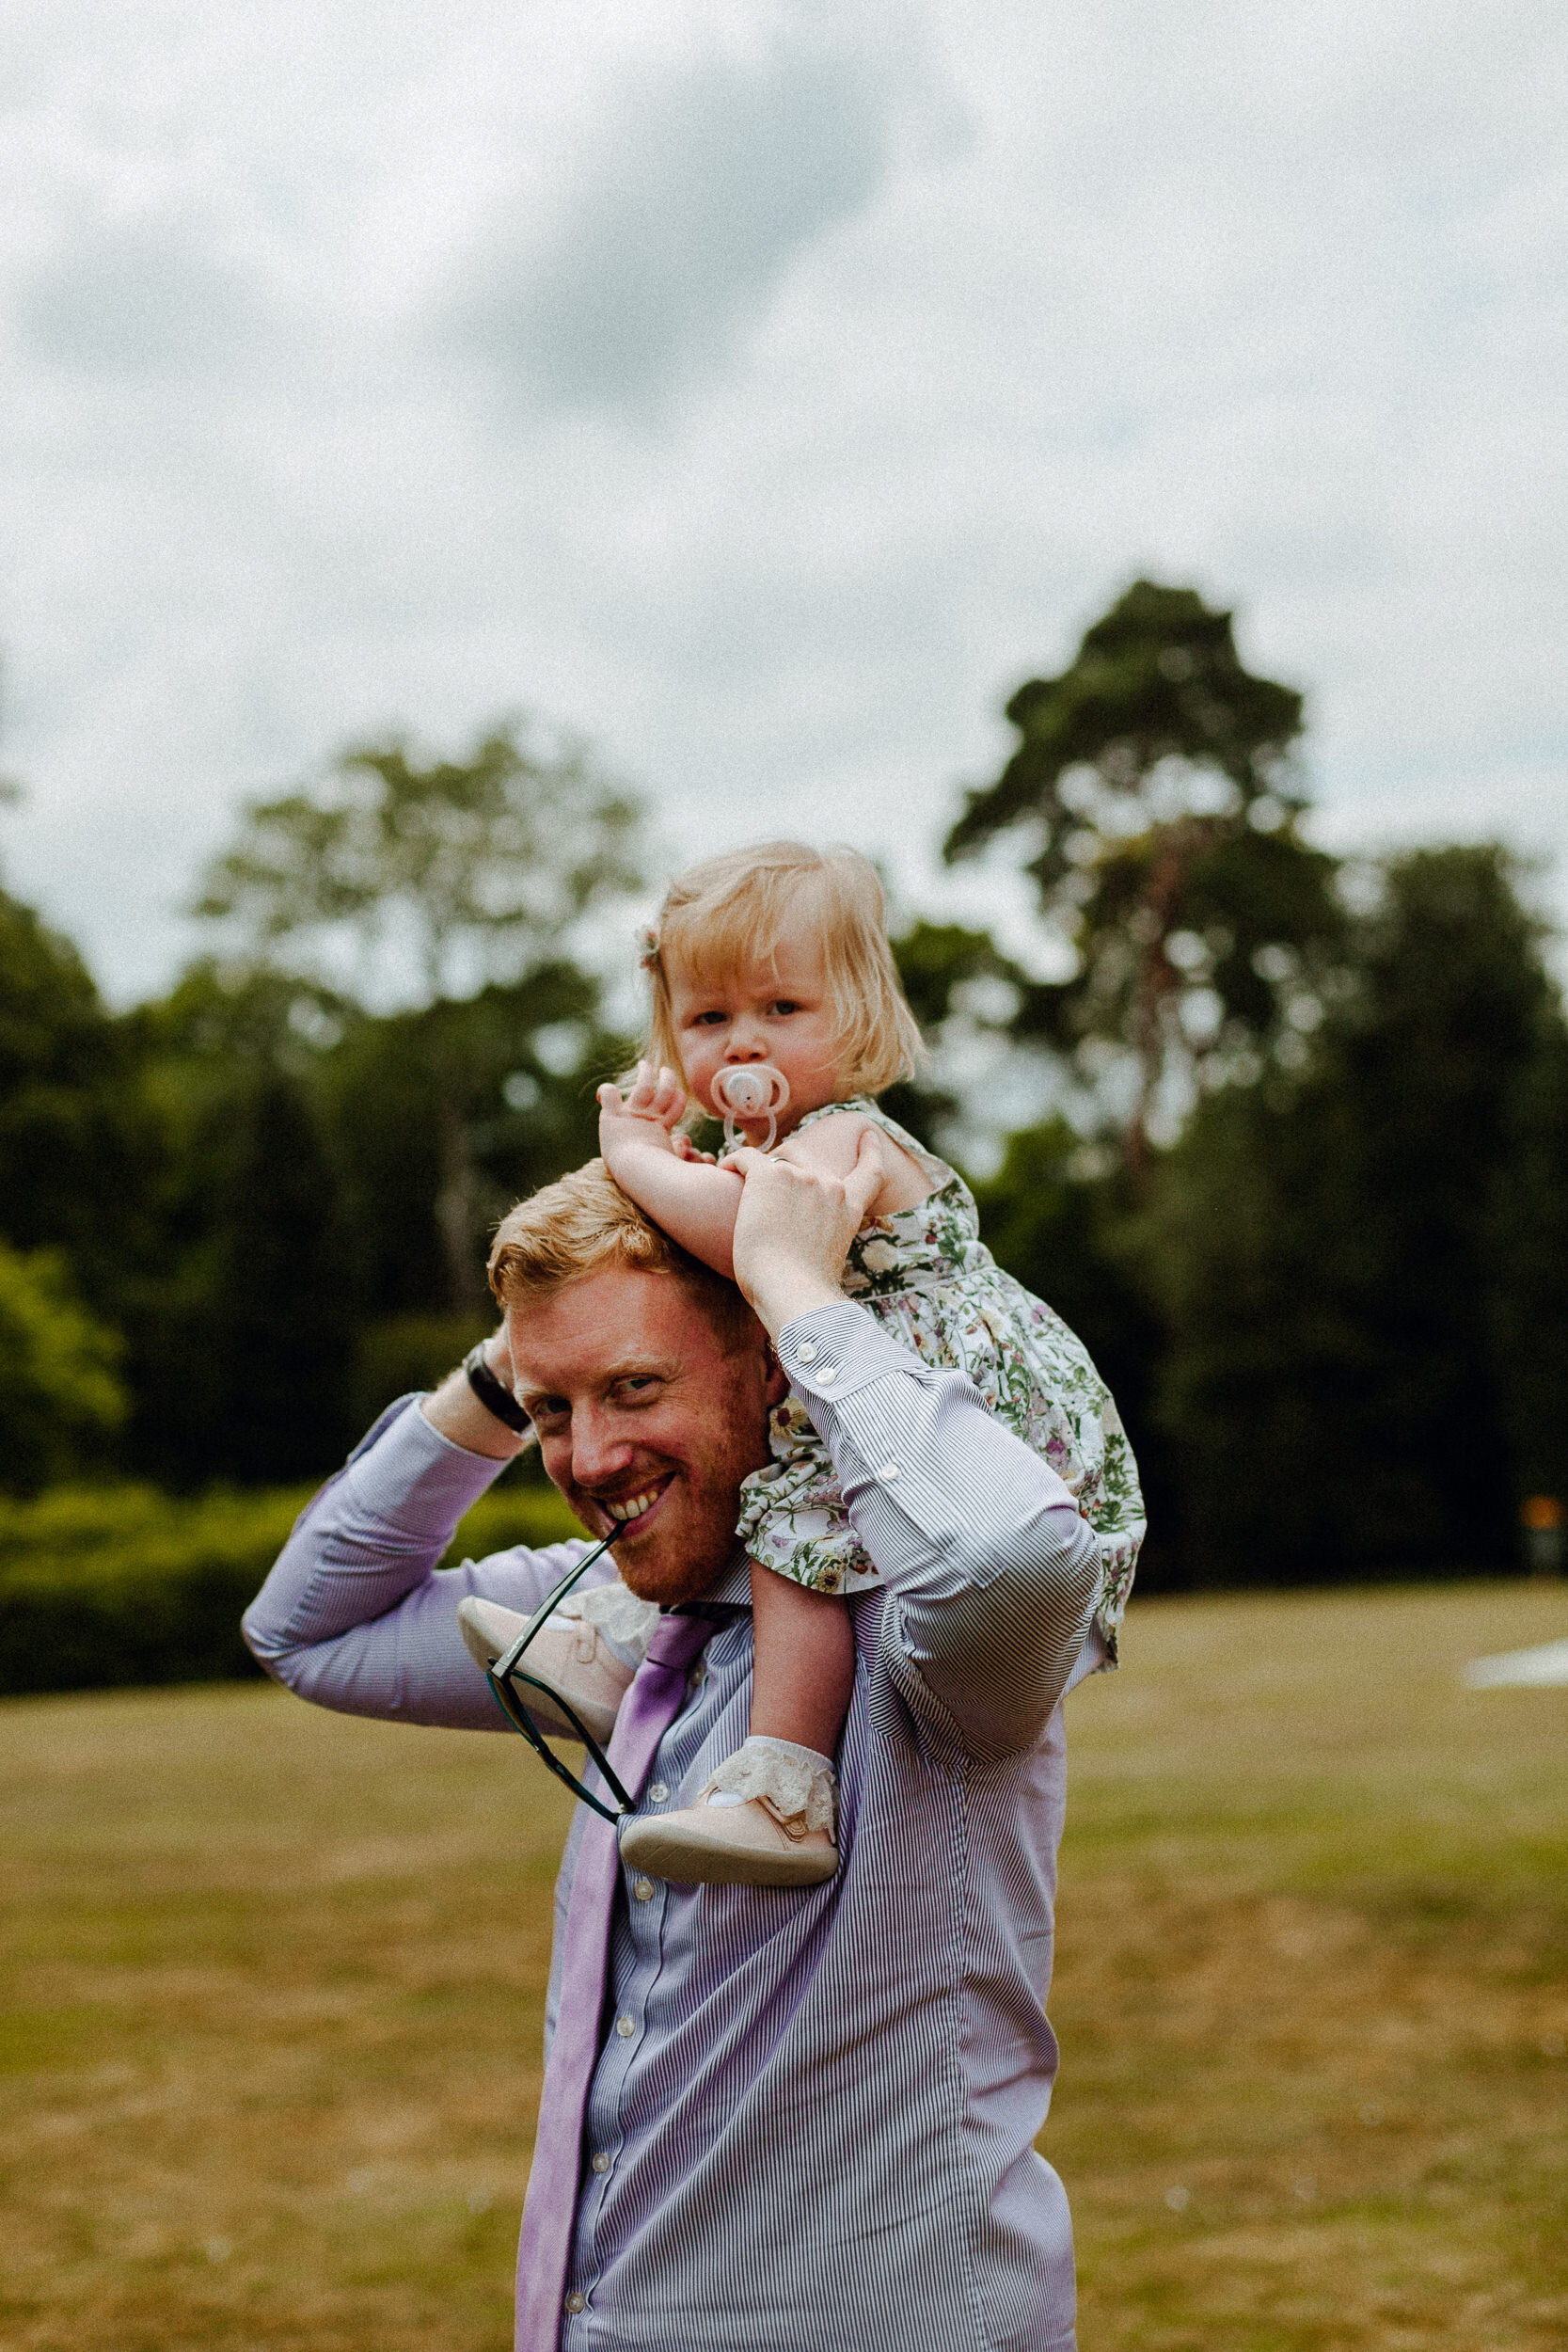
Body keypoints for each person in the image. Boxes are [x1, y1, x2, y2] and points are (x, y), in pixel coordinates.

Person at [244, 1139, 1114, 2352]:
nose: (588, 1460)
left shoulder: (929, 1644)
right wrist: (510, 1372)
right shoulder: (612, 1614)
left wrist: (799, 1289)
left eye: (634, 1387)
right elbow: (307, 1631)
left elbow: (1025, 1560)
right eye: (556, 1410)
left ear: (769, 1369)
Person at [465, 839, 1143, 1887]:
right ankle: (612, 1650)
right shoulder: (773, 1148)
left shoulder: (841, 1139)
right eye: (709, 1018)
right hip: (844, 1384)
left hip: (932, 1408)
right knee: (745, 1485)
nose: (744, 1040)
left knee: (790, 1534)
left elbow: (751, 1239)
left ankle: (783, 1792)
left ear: (856, 1014)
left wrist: (635, 1157)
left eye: (781, 1009)